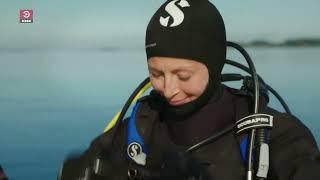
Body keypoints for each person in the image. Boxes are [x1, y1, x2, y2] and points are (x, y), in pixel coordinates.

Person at [58, 0, 320, 179]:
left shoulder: (274, 137)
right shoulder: (137, 129)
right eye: (156, 74)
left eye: (183, 75)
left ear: (215, 64)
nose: (169, 89)